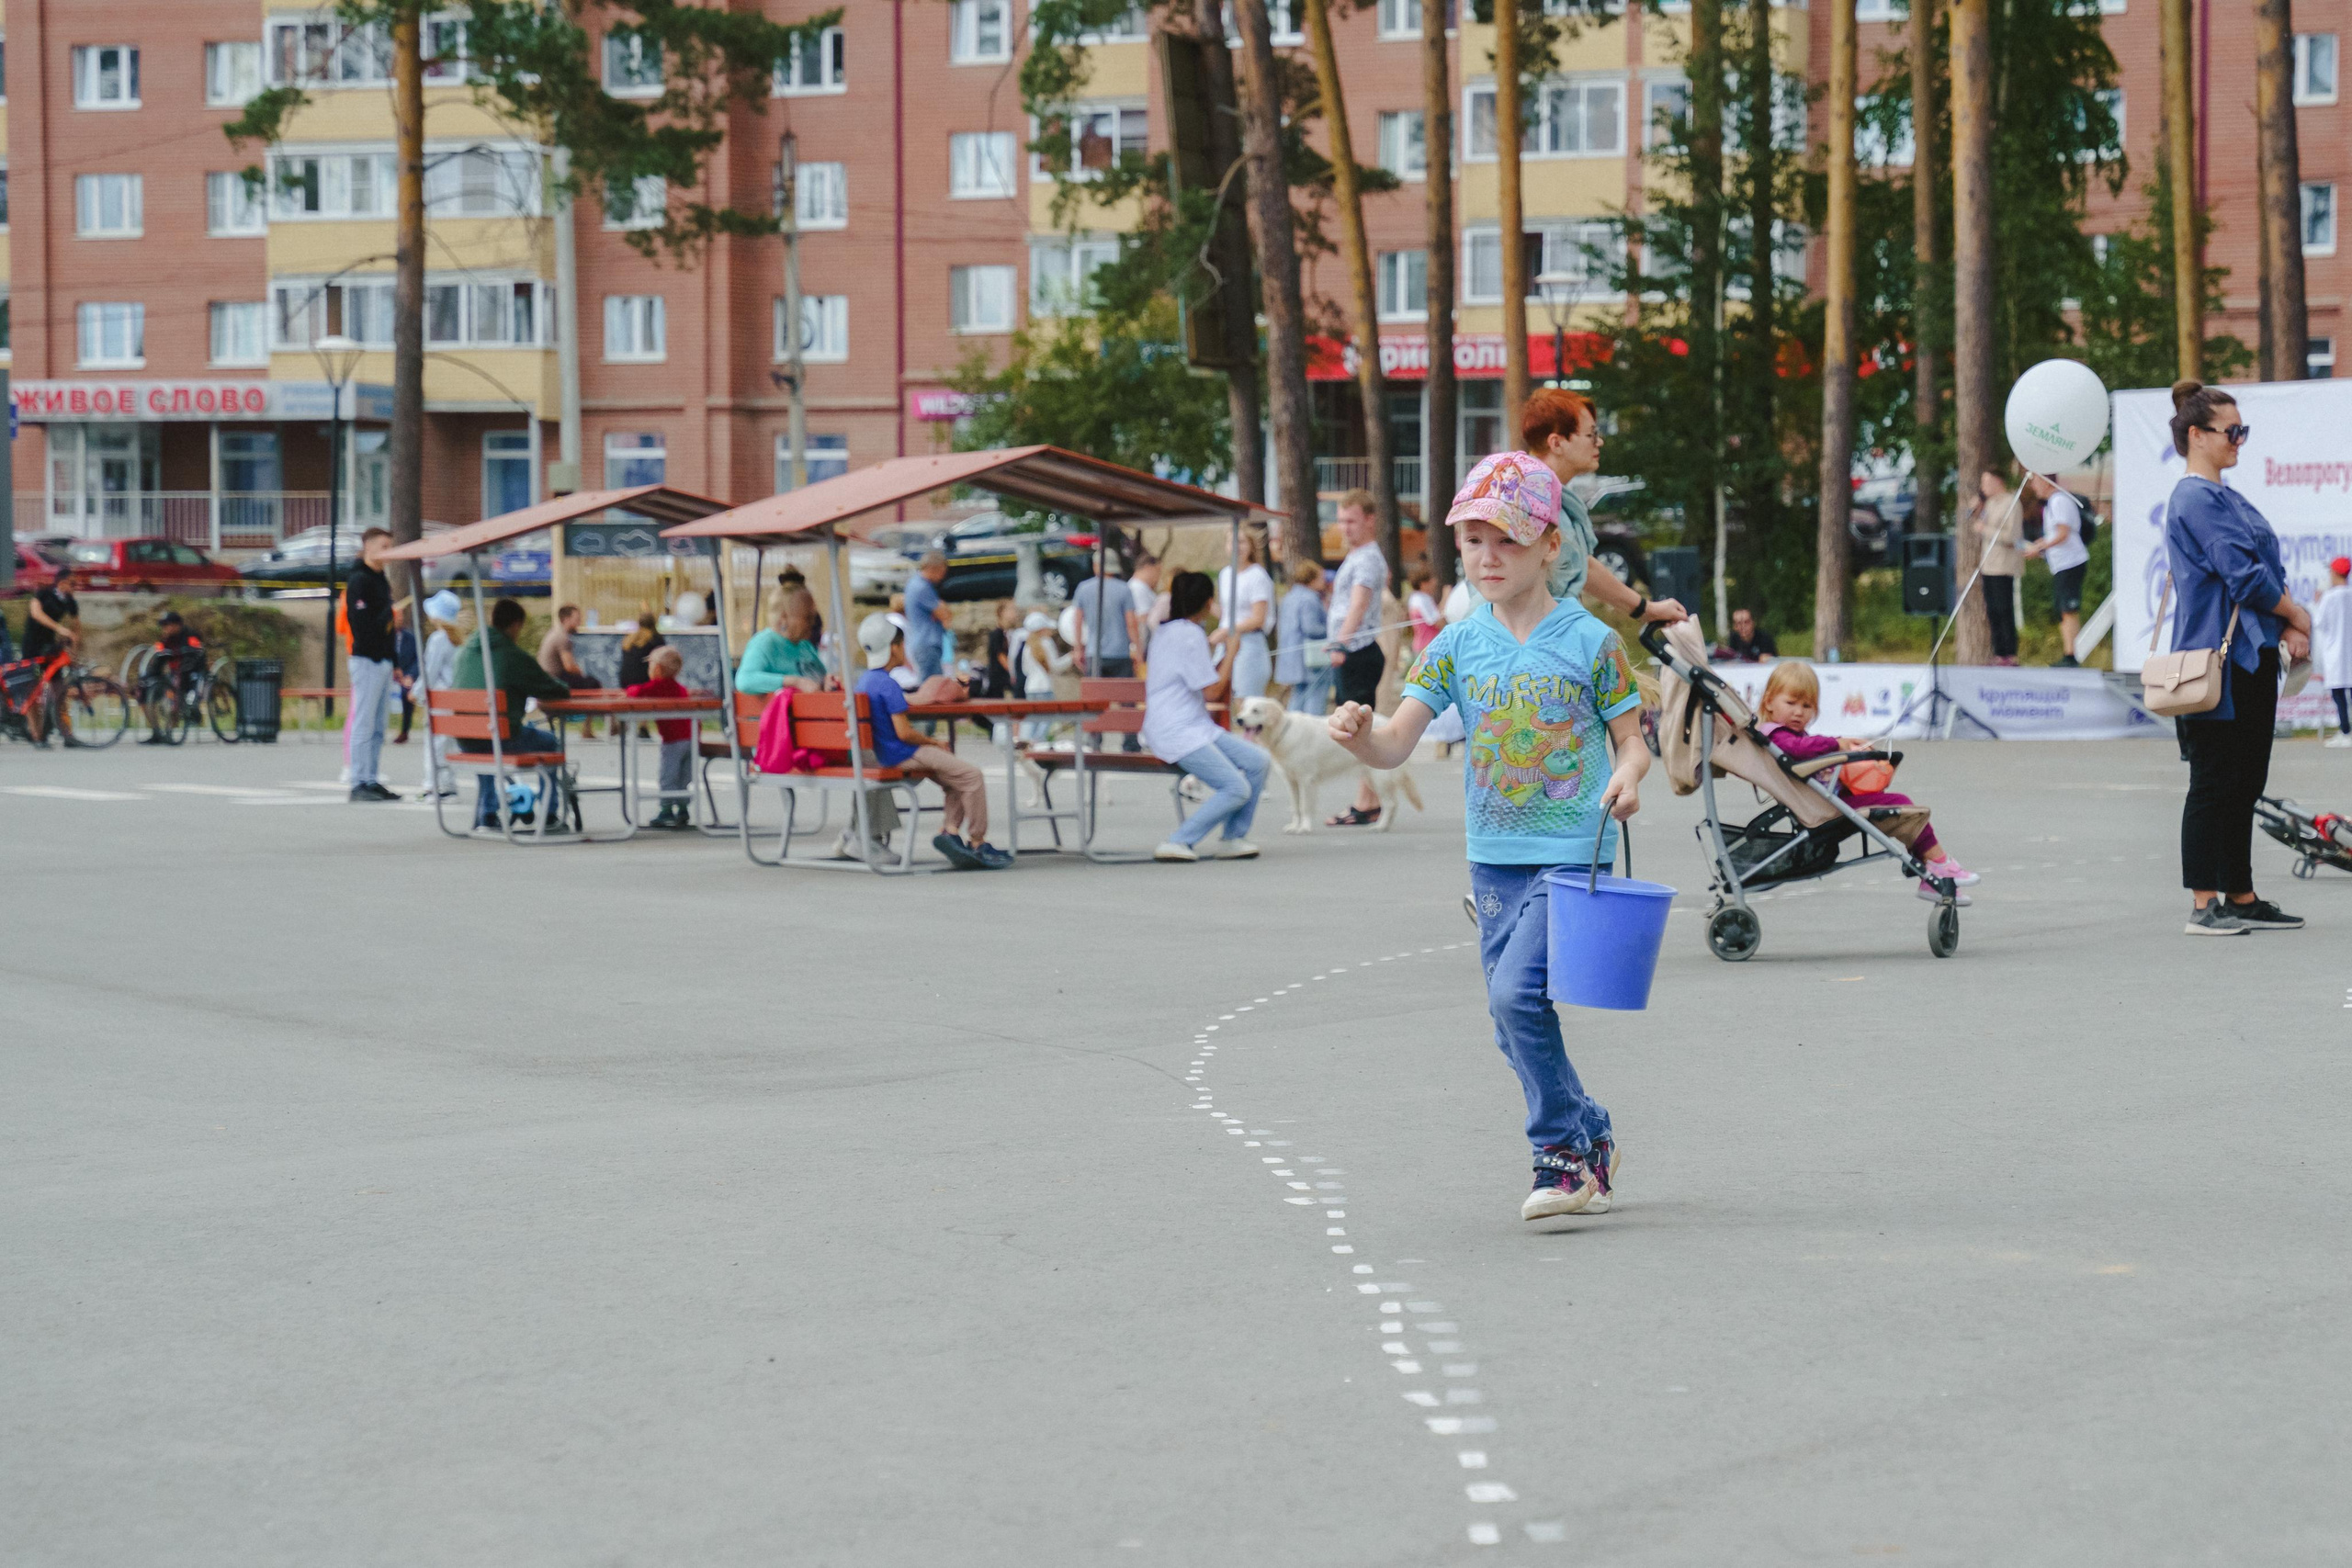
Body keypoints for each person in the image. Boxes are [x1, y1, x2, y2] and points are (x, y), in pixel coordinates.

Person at [1328, 449, 1645, 1222]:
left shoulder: (1593, 642)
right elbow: (1395, 744)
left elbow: (1633, 743)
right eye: (1473, 540)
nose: (1488, 556)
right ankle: (1591, 1128)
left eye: (1507, 539)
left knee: (1513, 996)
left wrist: (1629, 777)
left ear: (1551, 545)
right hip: (1493, 860)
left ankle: (1560, 1156)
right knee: (1510, 1018)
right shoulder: (1455, 644)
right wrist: (1361, 737)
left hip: (1573, 853)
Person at [2164, 379, 2313, 935]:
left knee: (2245, 781)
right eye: (2232, 431)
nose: (2240, 441)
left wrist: (2286, 623)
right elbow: (2244, 576)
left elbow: (2265, 571)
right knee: (2213, 781)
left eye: (2242, 431)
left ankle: (2241, 896)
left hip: (2249, 657)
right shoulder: (2195, 498)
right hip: (2217, 662)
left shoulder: (2226, 496)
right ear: (2197, 435)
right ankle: (2204, 904)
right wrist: (2297, 616)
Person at [1754, 660, 1979, 903]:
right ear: (1769, 702)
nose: (1799, 712)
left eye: (1807, 706)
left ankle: (1931, 870)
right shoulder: (1776, 735)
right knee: (1901, 805)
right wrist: (1836, 744)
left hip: (1825, 801)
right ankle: (1939, 863)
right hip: (1823, 808)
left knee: (1893, 803)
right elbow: (1800, 748)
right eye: (1791, 703)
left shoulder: (1788, 736)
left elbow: (1805, 747)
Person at [1520, 388, 1690, 626]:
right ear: (1557, 443)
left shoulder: (1534, 490)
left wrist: (1646, 609)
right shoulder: (1532, 501)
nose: (1599, 441)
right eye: (1591, 434)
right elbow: (1582, 567)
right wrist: (1646, 609)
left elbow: (1581, 563)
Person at [854, 613, 1011, 869]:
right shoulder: (888, 684)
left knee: (954, 776)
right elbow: (904, 733)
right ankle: (977, 841)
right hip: (901, 753)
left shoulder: (865, 681)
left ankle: (950, 831)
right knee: (971, 775)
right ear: (894, 648)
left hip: (882, 752)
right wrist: (933, 742)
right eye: (902, 644)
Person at [1147, 570, 1270, 863]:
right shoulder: (1191, 635)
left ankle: (1234, 837)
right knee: (1236, 788)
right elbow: (1213, 692)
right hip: (1178, 730)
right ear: (1207, 603)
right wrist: (1231, 652)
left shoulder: (1165, 631)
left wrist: (1218, 650)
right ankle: (1179, 840)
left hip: (1189, 724)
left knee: (1258, 761)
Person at [451, 596, 573, 832]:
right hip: (499, 737)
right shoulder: (511, 655)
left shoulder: (465, 651)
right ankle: (549, 815)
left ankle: (487, 814)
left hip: (465, 738)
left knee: (486, 742)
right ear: (516, 625)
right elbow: (550, 688)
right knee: (550, 743)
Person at [1324, 490, 1391, 825]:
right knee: (1354, 727)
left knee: (1357, 729)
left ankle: (1367, 801)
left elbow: (1358, 605)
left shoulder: (1366, 558)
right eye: (1341, 521)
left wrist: (1341, 644)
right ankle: (1367, 798)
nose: (1344, 528)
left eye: (1351, 521)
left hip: (1358, 652)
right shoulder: (1356, 555)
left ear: (1369, 520)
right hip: (1354, 652)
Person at [344, 527, 401, 803]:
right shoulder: (359, 580)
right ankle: (358, 781)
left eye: (390, 546)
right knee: (363, 723)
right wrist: (387, 616)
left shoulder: (381, 580)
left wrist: (395, 660)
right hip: (366, 659)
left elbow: (387, 628)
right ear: (368, 547)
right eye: (383, 546)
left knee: (378, 726)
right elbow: (361, 624)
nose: (388, 552)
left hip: (383, 660)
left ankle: (371, 777)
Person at [2021, 473, 2090, 666]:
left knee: (2068, 609)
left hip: (2070, 561)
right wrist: (2040, 546)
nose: (2034, 487)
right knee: (2062, 609)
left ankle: (2071, 654)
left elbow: (2063, 533)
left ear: (2046, 482)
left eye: (2036, 482)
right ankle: (2069, 652)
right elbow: (2055, 534)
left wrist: (2041, 547)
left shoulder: (2059, 500)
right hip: (2061, 563)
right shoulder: (2052, 503)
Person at [627, 644, 696, 830]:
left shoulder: (657, 686)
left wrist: (628, 690)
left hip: (672, 740)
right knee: (683, 776)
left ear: (657, 669)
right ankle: (683, 808)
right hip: (690, 738)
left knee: (668, 775)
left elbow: (636, 692)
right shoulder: (680, 688)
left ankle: (666, 809)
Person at [1970, 470, 2023, 665]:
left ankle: (2011, 653)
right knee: (1992, 610)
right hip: (1988, 564)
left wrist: (1986, 530)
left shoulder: (2011, 503)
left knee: (2003, 608)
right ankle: (1999, 652)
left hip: (2004, 564)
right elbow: (1979, 522)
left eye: (1986, 482)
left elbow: (2012, 537)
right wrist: (1976, 508)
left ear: (1997, 481)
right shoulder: (1990, 503)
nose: (1983, 487)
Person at [1216, 530, 1276, 700]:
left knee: (1244, 700)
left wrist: (1226, 631)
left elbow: (1258, 619)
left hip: (1249, 643)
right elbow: (1228, 613)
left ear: (1250, 546)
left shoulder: (1257, 575)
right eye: (1232, 542)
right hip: (1225, 643)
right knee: (1221, 695)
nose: (1236, 546)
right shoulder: (1225, 574)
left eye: (1241, 542)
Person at [734, 590, 831, 695]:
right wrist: (794, 682)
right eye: (807, 617)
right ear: (784, 617)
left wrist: (827, 681)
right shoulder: (766, 643)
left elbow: (821, 676)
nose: (812, 623)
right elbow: (745, 681)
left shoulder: (804, 645)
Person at [418, 591, 463, 797]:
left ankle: (433, 786)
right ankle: (448, 784)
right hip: (456, 699)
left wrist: (417, 692)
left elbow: (430, 671)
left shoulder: (438, 639)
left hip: (440, 699)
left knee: (434, 744)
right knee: (447, 744)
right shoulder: (458, 639)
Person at [139, 611, 208, 743]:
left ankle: (176, 724)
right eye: (163, 626)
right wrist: (149, 677)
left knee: (179, 689)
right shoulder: (165, 640)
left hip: (191, 673)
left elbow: (198, 654)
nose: (165, 628)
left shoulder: (190, 636)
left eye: (168, 625)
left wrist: (185, 665)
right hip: (174, 673)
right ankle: (157, 732)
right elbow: (158, 660)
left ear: (177, 625)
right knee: (145, 688)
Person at [1069, 556, 1139, 678]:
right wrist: (1138, 649)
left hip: (1093, 652)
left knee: (1097, 690)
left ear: (1096, 565)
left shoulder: (1083, 588)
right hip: (1120, 653)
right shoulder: (1124, 589)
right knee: (1122, 690)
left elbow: (1077, 622)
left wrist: (1078, 649)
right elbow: (1131, 624)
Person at [1276, 559, 1331, 714]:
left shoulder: (1289, 596)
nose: (1324, 581)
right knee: (1316, 694)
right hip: (1310, 657)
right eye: (1320, 577)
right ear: (1311, 579)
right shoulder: (1309, 598)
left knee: (1298, 696)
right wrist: (1332, 631)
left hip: (1291, 656)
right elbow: (1311, 628)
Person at [2316, 556, 2352, 750]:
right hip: (2349, 652)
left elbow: (2319, 622)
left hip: (2335, 651)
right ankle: (2346, 731)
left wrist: (2317, 601)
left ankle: (2345, 731)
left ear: (2335, 573)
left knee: (2338, 694)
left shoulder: (2329, 597)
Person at [904, 550, 953, 681]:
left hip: (923, 643)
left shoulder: (916, 584)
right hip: (927, 644)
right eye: (942, 571)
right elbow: (944, 614)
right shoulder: (922, 587)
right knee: (933, 686)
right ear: (933, 568)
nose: (943, 576)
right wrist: (941, 611)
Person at [21, 562, 80, 664]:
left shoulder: (71, 602)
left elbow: (76, 624)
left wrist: (74, 642)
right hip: (32, 638)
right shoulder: (44, 592)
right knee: (30, 668)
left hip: (49, 640)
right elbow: (36, 613)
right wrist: (59, 628)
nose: (74, 588)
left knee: (52, 667)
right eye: (72, 584)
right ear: (62, 583)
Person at [617, 608, 666, 689]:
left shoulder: (629, 639)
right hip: (645, 682)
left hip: (625, 681)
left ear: (639, 623)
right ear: (654, 623)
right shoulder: (656, 640)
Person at [983, 600, 1021, 699]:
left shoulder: (1011, 633)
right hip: (999, 680)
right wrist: (1013, 671)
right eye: (1011, 609)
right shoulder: (997, 634)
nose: (1015, 613)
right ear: (1002, 612)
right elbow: (1001, 656)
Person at [391, 603, 419, 743]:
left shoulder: (410, 637)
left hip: (405, 675)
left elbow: (417, 660)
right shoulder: (383, 637)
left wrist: (410, 676)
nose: (400, 619)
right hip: (387, 675)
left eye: (401, 616)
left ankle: (404, 730)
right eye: (397, 616)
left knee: (406, 691)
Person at [1407, 562, 1442, 654]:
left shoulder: (1414, 598)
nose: (1435, 583)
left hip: (1420, 644)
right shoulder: (1423, 600)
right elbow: (1437, 622)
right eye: (1431, 580)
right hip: (1428, 646)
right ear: (1423, 584)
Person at [1129, 552, 1163, 636]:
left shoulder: (1141, 587)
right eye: (1158, 571)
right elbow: (1143, 618)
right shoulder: (1138, 589)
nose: (1159, 577)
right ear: (1148, 568)